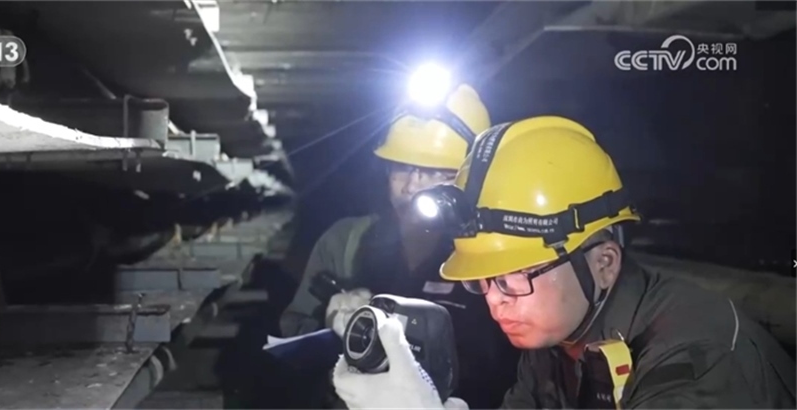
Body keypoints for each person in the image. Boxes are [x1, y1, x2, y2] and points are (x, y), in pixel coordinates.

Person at [332, 115, 797, 409]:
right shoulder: (555, 344)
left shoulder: (698, 358)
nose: (495, 302)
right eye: (484, 281)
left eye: (514, 277)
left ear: (604, 263)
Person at [279, 83, 521, 409]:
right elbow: (292, 345)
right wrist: (330, 324)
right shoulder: (344, 243)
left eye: (435, 172)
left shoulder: (495, 253)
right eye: (403, 167)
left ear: (471, 179)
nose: (411, 186)